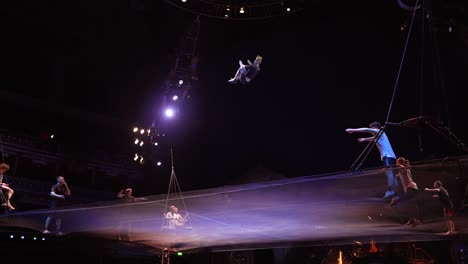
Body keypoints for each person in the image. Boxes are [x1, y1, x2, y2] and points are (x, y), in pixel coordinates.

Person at [346, 122, 398, 199]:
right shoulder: (380, 135)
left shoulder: (378, 131)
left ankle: (391, 191)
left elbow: (366, 130)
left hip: (388, 157)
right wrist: (364, 139)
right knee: (391, 174)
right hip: (391, 157)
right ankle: (395, 193)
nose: (371, 131)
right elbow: (373, 139)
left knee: (389, 173)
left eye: (372, 128)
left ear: (375, 128)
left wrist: (353, 130)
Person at [389, 157, 421, 226]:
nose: (396, 163)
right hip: (413, 188)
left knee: (405, 199)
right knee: (410, 205)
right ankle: (413, 220)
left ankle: (395, 200)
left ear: (400, 163)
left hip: (411, 187)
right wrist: (397, 175)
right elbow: (402, 173)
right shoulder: (406, 168)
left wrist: (392, 166)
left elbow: (400, 166)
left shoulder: (402, 167)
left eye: (397, 162)